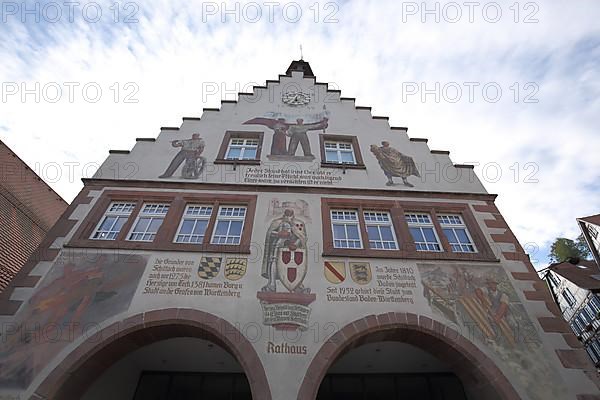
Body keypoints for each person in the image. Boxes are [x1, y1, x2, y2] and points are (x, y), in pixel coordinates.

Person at [261, 209, 306, 292]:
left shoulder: (299, 223)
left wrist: (295, 244)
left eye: (290, 214)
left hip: (292, 248)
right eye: (287, 214)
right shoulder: (277, 222)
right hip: (277, 245)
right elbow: (270, 233)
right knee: (273, 260)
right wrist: (278, 234)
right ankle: (271, 284)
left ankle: (298, 286)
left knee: (295, 264)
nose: (288, 215)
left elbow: (302, 237)